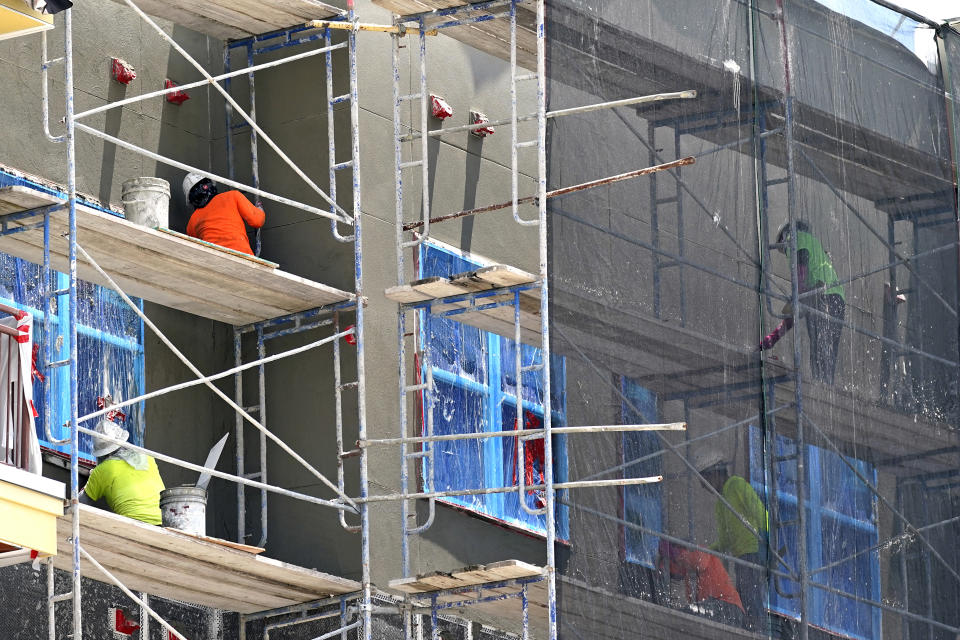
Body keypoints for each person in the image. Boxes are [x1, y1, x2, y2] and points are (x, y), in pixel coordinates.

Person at [759, 221, 845, 384]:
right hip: (837, 298)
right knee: (827, 349)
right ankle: (826, 387)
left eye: (782, 250)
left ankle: (821, 386)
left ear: (784, 236)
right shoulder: (816, 249)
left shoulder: (795, 238)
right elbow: (793, 317)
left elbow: (801, 262)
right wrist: (772, 339)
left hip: (821, 295)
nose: (785, 253)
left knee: (819, 347)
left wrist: (799, 292)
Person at [697, 451, 768, 632]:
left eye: (706, 481)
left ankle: (756, 628)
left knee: (750, 591)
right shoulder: (721, 503)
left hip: (753, 549)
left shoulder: (735, 485)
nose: (706, 487)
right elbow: (725, 540)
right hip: (740, 554)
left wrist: (767, 539)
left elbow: (760, 512)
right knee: (744, 591)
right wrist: (707, 550)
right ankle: (751, 626)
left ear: (715, 474)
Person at [82, 420, 165, 525]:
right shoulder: (148, 458)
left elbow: (81, 504)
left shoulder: (103, 470)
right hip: (163, 522)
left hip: (133, 524)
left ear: (102, 453)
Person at [658, 540, 745, 628]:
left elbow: (699, 562)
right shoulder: (688, 573)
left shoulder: (700, 552)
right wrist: (665, 562)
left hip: (728, 606)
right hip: (721, 610)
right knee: (685, 617)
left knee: (684, 615)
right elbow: (676, 571)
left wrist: (676, 555)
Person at [183, 172, 265, 256]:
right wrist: (259, 208)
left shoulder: (192, 221)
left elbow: (195, 250)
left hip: (212, 259)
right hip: (241, 256)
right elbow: (257, 220)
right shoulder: (232, 196)